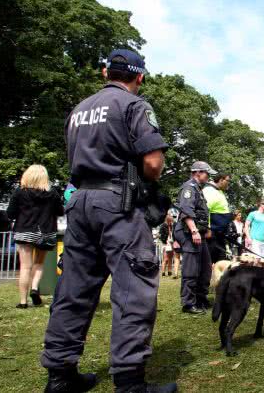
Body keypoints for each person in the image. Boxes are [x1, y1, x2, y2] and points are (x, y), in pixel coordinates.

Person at [40, 49, 176, 392]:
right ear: (139, 77)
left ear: (106, 73)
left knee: (73, 289)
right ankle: (129, 381)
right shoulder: (134, 106)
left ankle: (60, 374)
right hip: (118, 202)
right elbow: (154, 164)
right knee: (133, 289)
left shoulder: (79, 110)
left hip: (80, 201)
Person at [6, 164, 63, 309]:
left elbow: (10, 213)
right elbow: (60, 211)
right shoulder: (52, 193)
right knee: (38, 263)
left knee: (25, 267)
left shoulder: (20, 192)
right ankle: (35, 288)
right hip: (46, 231)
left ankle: (23, 302)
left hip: (25, 231)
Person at [174, 161, 214, 315]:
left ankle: (201, 298)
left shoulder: (198, 189)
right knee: (191, 270)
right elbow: (186, 211)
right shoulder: (188, 188)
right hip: (188, 232)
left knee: (205, 268)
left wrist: (205, 230)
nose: (208, 176)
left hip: (199, 233)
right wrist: (194, 231)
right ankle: (188, 303)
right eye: (207, 173)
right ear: (197, 172)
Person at [203, 173, 232, 262]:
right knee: (210, 262)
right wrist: (208, 229)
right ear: (220, 180)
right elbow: (205, 210)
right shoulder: (210, 191)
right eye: (228, 181)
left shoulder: (218, 191)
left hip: (220, 234)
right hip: (212, 234)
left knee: (222, 262)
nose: (229, 183)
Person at [158, 213, 179, 278]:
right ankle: (163, 272)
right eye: (170, 219)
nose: (172, 220)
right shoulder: (163, 225)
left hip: (172, 243)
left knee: (170, 258)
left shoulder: (172, 225)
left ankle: (169, 272)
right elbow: (161, 236)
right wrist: (165, 241)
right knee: (165, 258)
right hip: (166, 244)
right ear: (167, 219)